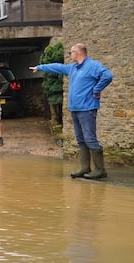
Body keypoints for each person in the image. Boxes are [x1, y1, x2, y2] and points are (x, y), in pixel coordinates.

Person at [30, 43, 113, 179]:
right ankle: (85, 168)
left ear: (78, 52)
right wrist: (40, 67)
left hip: (87, 108)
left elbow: (107, 76)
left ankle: (100, 170)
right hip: (75, 109)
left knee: (90, 138)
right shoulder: (73, 68)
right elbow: (58, 67)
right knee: (81, 140)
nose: (70, 55)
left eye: (71, 52)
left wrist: (96, 90)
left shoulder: (93, 65)